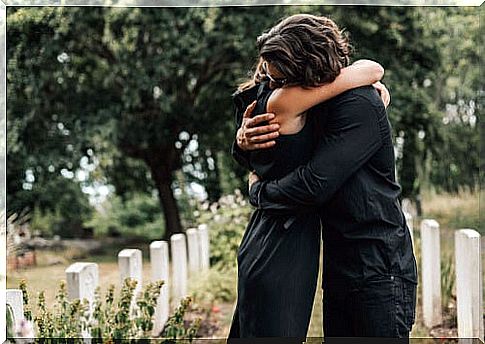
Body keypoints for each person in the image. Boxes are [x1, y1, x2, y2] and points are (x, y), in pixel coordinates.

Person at [235, 14, 418, 339]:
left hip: (379, 267)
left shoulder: (359, 104)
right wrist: (241, 140)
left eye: (279, 79)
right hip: (341, 261)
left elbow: (313, 184)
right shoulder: (316, 102)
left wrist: (259, 193)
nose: (272, 87)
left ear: (304, 68)